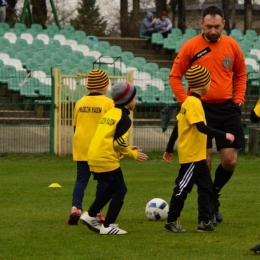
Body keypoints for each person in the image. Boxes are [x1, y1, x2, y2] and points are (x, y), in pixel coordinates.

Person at [168, 5, 247, 226]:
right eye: (209, 26)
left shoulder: (231, 45)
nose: (213, 31)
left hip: (228, 108)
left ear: (223, 25)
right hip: (200, 109)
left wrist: (239, 99)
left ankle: (214, 194)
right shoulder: (191, 46)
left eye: (217, 26)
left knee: (230, 161)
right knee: (205, 161)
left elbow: (241, 74)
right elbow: (175, 77)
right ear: (201, 24)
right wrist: (187, 103)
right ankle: (207, 209)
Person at [163, 65, 234, 233]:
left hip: (199, 156)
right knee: (183, 187)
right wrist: (224, 135)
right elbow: (201, 127)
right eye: (209, 82)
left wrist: (169, 148)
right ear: (203, 84)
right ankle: (171, 220)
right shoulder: (194, 103)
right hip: (192, 156)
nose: (210, 85)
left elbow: (177, 126)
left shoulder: (188, 101)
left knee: (206, 187)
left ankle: (204, 221)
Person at [79, 82, 148, 235]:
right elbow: (118, 142)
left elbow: (108, 139)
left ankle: (90, 215)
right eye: (135, 97)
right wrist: (132, 154)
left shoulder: (109, 114)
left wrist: (127, 149)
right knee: (121, 190)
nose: (136, 101)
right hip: (105, 158)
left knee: (111, 188)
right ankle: (107, 226)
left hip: (94, 156)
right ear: (127, 100)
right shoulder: (124, 119)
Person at [67, 69, 114, 225]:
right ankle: (97, 212)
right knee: (103, 182)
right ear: (105, 85)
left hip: (81, 147)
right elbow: (111, 127)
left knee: (81, 180)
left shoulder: (80, 102)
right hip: (99, 149)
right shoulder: (108, 103)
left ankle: (75, 208)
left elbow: (75, 126)